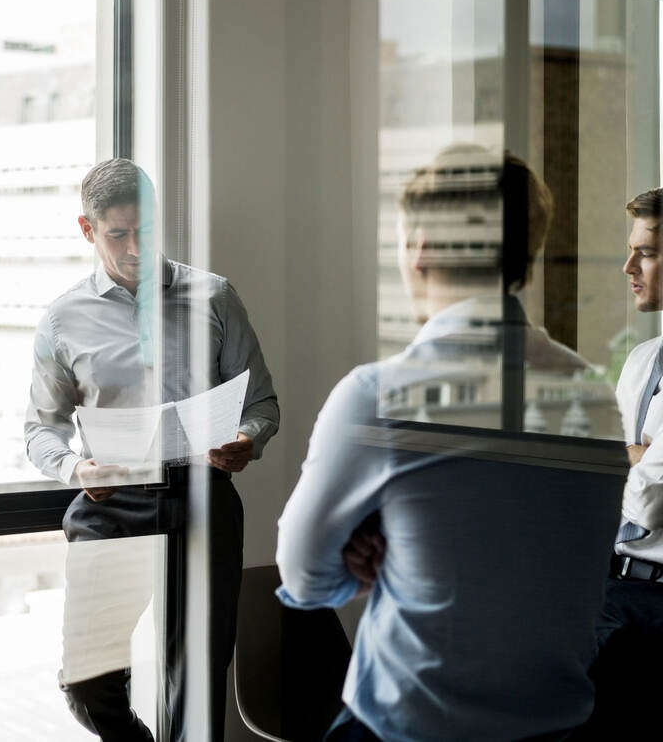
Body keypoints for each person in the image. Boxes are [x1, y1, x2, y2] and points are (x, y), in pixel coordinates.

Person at [276, 146, 626, 742]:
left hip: (410, 727)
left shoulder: (380, 395)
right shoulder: (595, 399)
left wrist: (360, 576)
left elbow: (304, 576)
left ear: (422, 251)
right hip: (562, 726)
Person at [25, 158, 280, 742]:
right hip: (111, 505)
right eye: (118, 234)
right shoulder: (63, 319)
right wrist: (73, 467)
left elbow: (262, 403)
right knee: (88, 681)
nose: (136, 247)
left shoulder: (216, 296)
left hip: (203, 499)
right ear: (89, 230)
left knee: (198, 678)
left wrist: (247, 439)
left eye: (147, 229)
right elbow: (41, 429)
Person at [584, 187, 663, 736]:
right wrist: (634, 456)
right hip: (611, 586)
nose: (628, 266)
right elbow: (601, 473)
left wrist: (626, 460)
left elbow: (650, 500)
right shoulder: (640, 361)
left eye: (649, 252)